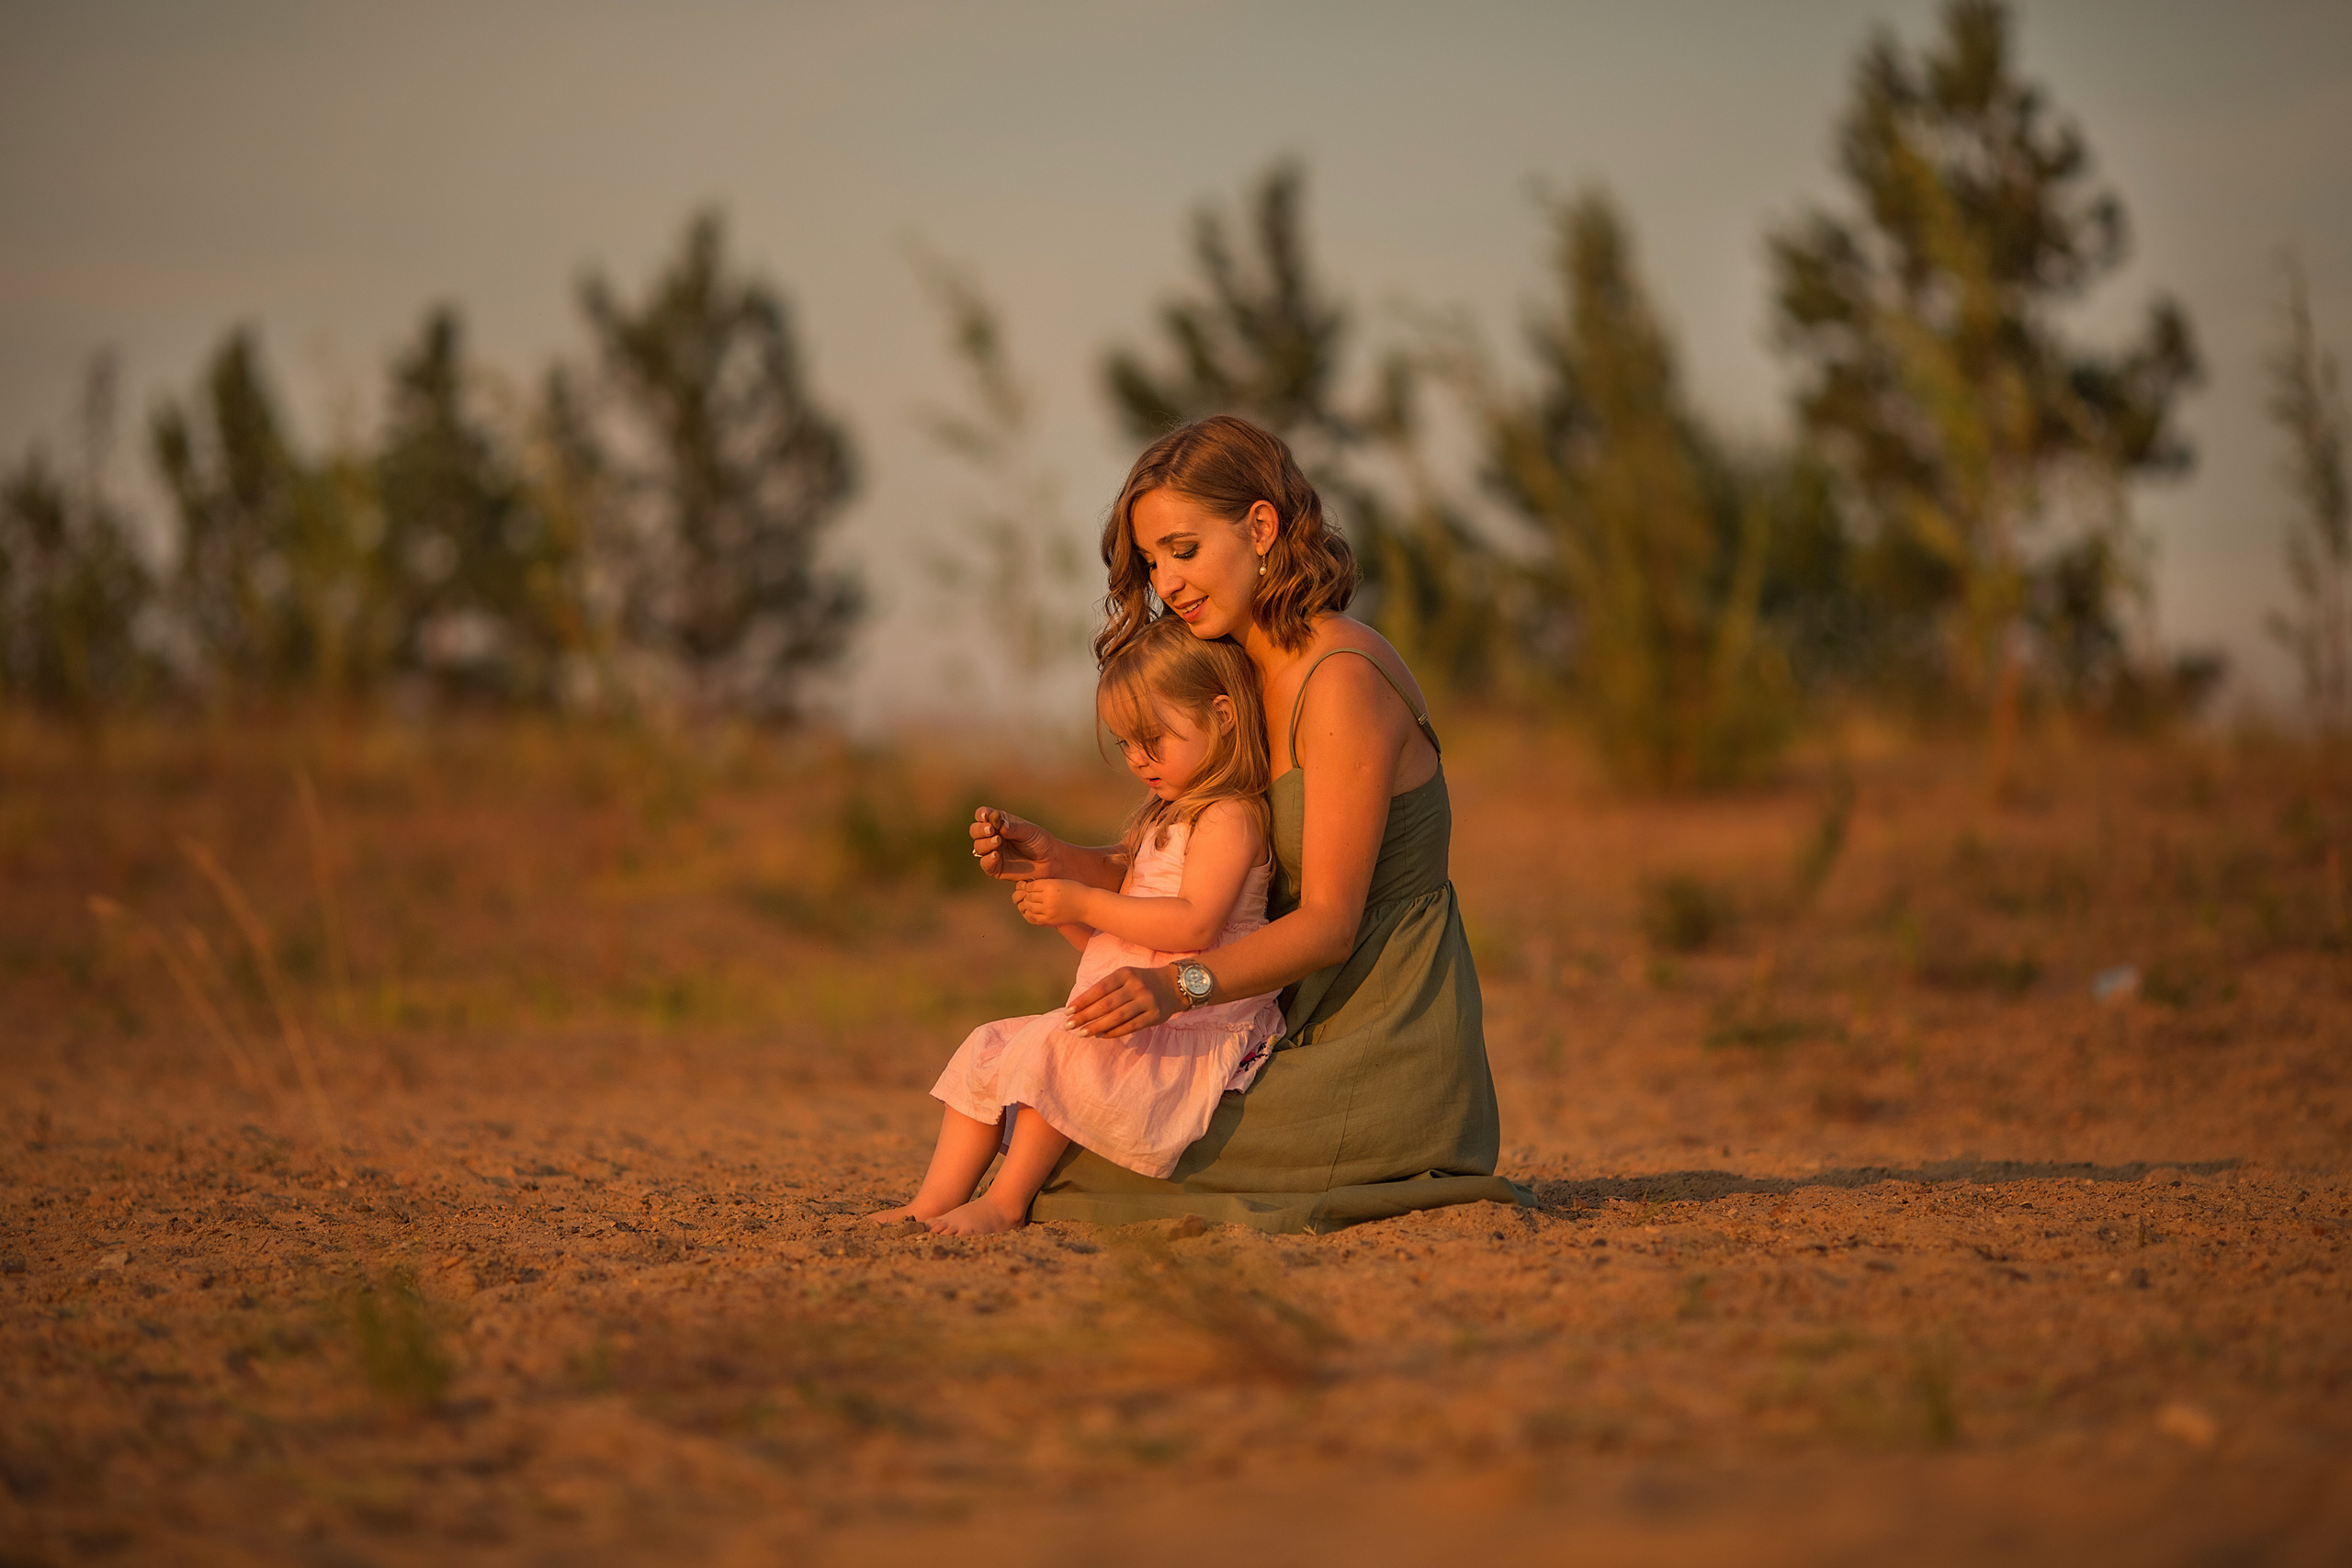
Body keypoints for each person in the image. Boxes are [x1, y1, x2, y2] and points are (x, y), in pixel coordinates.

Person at [971, 414, 1529, 1234]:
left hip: (1378, 1037)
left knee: (1079, 1155)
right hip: (1272, 1024)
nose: (1167, 582)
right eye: (1152, 562)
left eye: (1184, 550)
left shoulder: (1338, 677)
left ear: (1261, 527)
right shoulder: (1236, 672)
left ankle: (1392, 1142)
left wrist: (1174, 988)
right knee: (1052, 1108)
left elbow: (1331, 925)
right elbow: (1190, 871)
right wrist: (1057, 858)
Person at [867, 617, 1286, 1235]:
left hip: (1198, 1018)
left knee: (1057, 1049)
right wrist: (1059, 910)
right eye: (1125, 743)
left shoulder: (1229, 817)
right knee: (990, 1043)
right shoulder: (1163, 814)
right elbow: (1125, 947)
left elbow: (1194, 925)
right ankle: (931, 1201)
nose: (1137, 758)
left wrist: (1083, 902)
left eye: (1152, 738)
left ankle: (1006, 1202)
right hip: (1143, 1011)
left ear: (1222, 715)